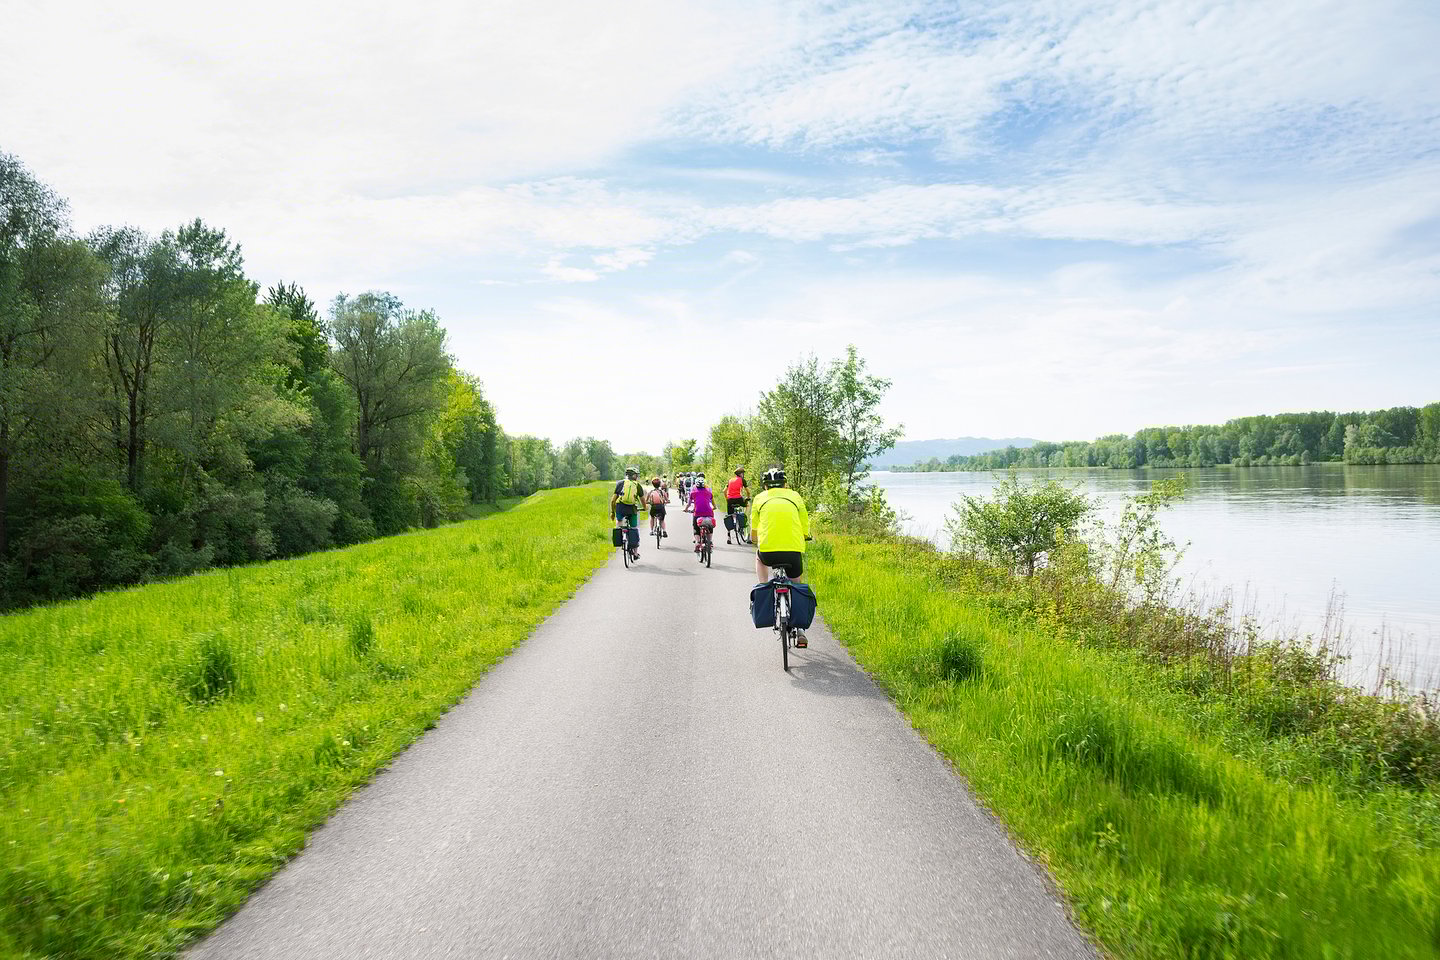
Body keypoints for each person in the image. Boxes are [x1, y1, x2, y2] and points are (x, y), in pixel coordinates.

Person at [750, 466, 811, 647]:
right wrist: (805, 535)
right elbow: (804, 522)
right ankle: (800, 630)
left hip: (768, 552)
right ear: (785, 484)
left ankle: (763, 584)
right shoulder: (795, 496)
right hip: (792, 551)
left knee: (759, 557)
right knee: (797, 584)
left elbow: (754, 527)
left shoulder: (759, 498)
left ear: (765, 486)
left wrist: (754, 540)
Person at [609, 466, 646, 560]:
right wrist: (645, 508)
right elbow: (642, 500)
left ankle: (621, 538)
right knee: (634, 528)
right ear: (634, 476)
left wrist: (613, 512)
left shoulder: (620, 483)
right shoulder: (637, 485)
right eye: (636, 475)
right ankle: (636, 553)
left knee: (619, 522)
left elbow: (613, 500)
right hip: (632, 509)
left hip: (620, 508)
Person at [690, 477, 716, 554]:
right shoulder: (709, 493)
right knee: (710, 526)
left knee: (696, 527)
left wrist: (686, 509)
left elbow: (689, 504)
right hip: (709, 513)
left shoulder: (693, 493)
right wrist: (714, 507)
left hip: (697, 513)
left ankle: (698, 542)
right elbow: (713, 504)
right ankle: (710, 541)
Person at [724, 467, 749, 544]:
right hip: (739, 499)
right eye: (743, 473)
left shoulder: (730, 480)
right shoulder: (742, 480)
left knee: (729, 516)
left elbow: (724, 491)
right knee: (747, 505)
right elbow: (748, 491)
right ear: (741, 474)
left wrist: (727, 499)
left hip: (730, 500)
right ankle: (744, 517)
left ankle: (729, 537)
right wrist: (748, 497)